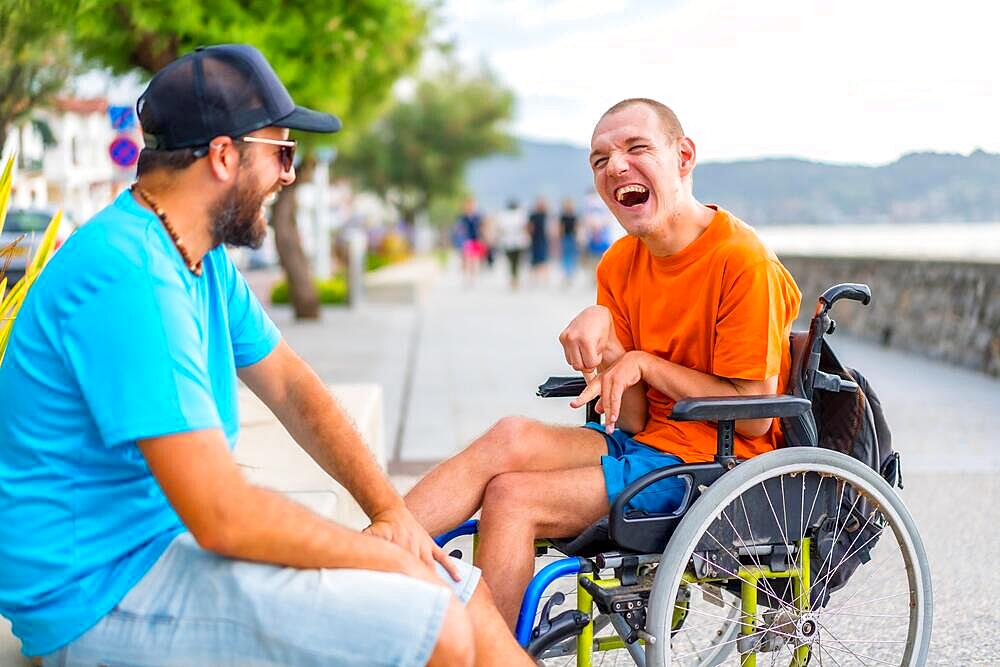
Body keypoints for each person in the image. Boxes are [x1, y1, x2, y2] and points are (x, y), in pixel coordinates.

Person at [0, 44, 531, 667]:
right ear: (224, 155)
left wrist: (394, 516)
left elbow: (290, 386)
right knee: (433, 620)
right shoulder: (131, 278)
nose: (289, 175)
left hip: (159, 553)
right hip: (98, 596)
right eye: (282, 152)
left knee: (459, 593)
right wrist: (382, 556)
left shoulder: (197, 256)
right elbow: (224, 516)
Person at [404, 98, 802, 626]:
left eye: (637, 148)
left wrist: (643, 362)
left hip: (716, 465)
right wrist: (611, 349)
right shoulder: (620, 261)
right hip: (643, 444)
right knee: (509, 436)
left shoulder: (742, 262)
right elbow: (634, 418)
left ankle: (490, 655)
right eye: (599, 160)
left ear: (683, 156)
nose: (615, 166)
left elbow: (754, 416)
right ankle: (356, 560)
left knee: (513, 497)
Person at [494, 198, 529, 290]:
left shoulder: (518, 214)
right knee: (513, 262)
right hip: (510, 242)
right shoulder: (511, 215)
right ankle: (514, 279)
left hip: (516, 242)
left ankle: (515, 279)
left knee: (515, 262)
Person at [456, 196, 485, 283]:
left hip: (476, 239)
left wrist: (482, 238)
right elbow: (459, 228)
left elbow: (482, 227)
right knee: (467, 259)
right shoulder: (462, 217)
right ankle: (467, 277)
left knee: (475, 260)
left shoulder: (477, 216)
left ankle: (472, 278)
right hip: (466, 240)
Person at [527, 196, 550, 284]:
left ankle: (544, 280)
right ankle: (534, 280)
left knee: (543, 260)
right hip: (535, 240)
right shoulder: (533, 215)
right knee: (534, 261)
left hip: (543, 239)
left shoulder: (546, 215)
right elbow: (529, 227)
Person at [558, 197, 580, 285]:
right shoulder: (563, 216)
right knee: (566, 255)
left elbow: (576, 227)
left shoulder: (573, 216)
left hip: (571, 237)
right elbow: (561, 228)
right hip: (566, 237)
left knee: (571, 255)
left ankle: (570, 273)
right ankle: (567, 273)